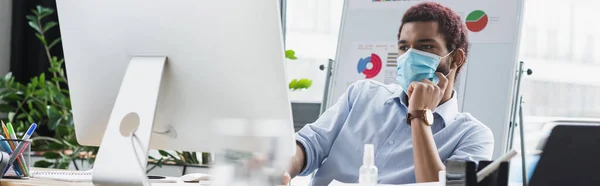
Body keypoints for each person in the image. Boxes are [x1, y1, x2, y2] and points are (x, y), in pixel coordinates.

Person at [282, 2, 494, 185]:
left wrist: (419, 115)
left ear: (456, 58)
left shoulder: (473, 135)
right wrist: (282, 170)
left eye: (426, 47)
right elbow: (310, 143)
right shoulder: (361, 94)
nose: (410, 56)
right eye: (404, 47)